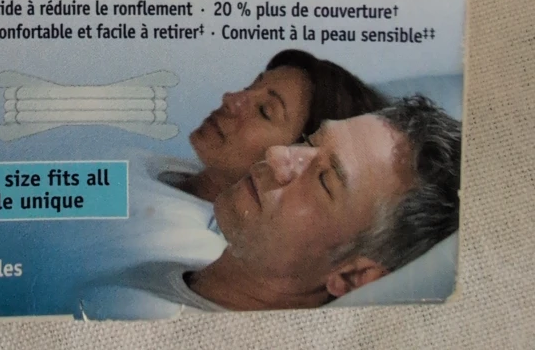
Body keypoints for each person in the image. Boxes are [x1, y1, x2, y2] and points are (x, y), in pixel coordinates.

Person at [127, 95, 461, 313]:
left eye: (324, 179)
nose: (276, 156)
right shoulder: (167, 245)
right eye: (308, 141)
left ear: (352, 276)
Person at [155, 50, 387, 203]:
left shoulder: (184, 242)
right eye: (249, 87)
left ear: (295, 164)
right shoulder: (165, 169)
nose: (230, 99)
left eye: (264, 111)